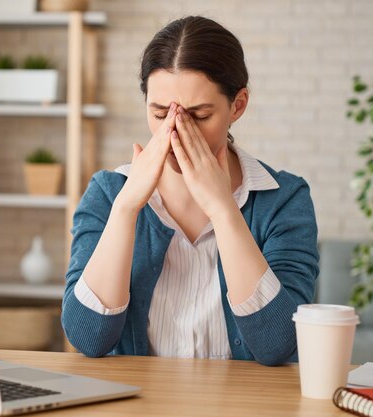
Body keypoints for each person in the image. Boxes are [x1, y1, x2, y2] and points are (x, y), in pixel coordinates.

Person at [61, 16, 319, 366]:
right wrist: (126, 209)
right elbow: (87, 338)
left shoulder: (283, 199)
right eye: (159, 113)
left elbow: (278, 346)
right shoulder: (108, 194)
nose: (176, 132)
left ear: (237, 106)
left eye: (198, 115)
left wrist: (223, 210)